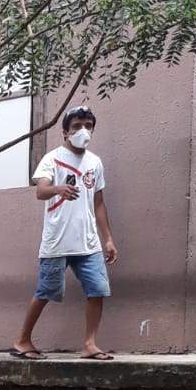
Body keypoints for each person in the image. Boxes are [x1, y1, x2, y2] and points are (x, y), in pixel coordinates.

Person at [12, 106, 118, 361]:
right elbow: (41, 191)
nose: (83, 131)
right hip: (57, 241)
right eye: (77, 126)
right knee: (45, 291)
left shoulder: (95, 162)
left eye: (88, 126)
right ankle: (22, 340)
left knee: (98, 289)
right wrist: (59, 189)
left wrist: (108, 239)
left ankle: (90, 344)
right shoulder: (52, 159)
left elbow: (98, 202)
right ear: (65, 132)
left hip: (88, 241)